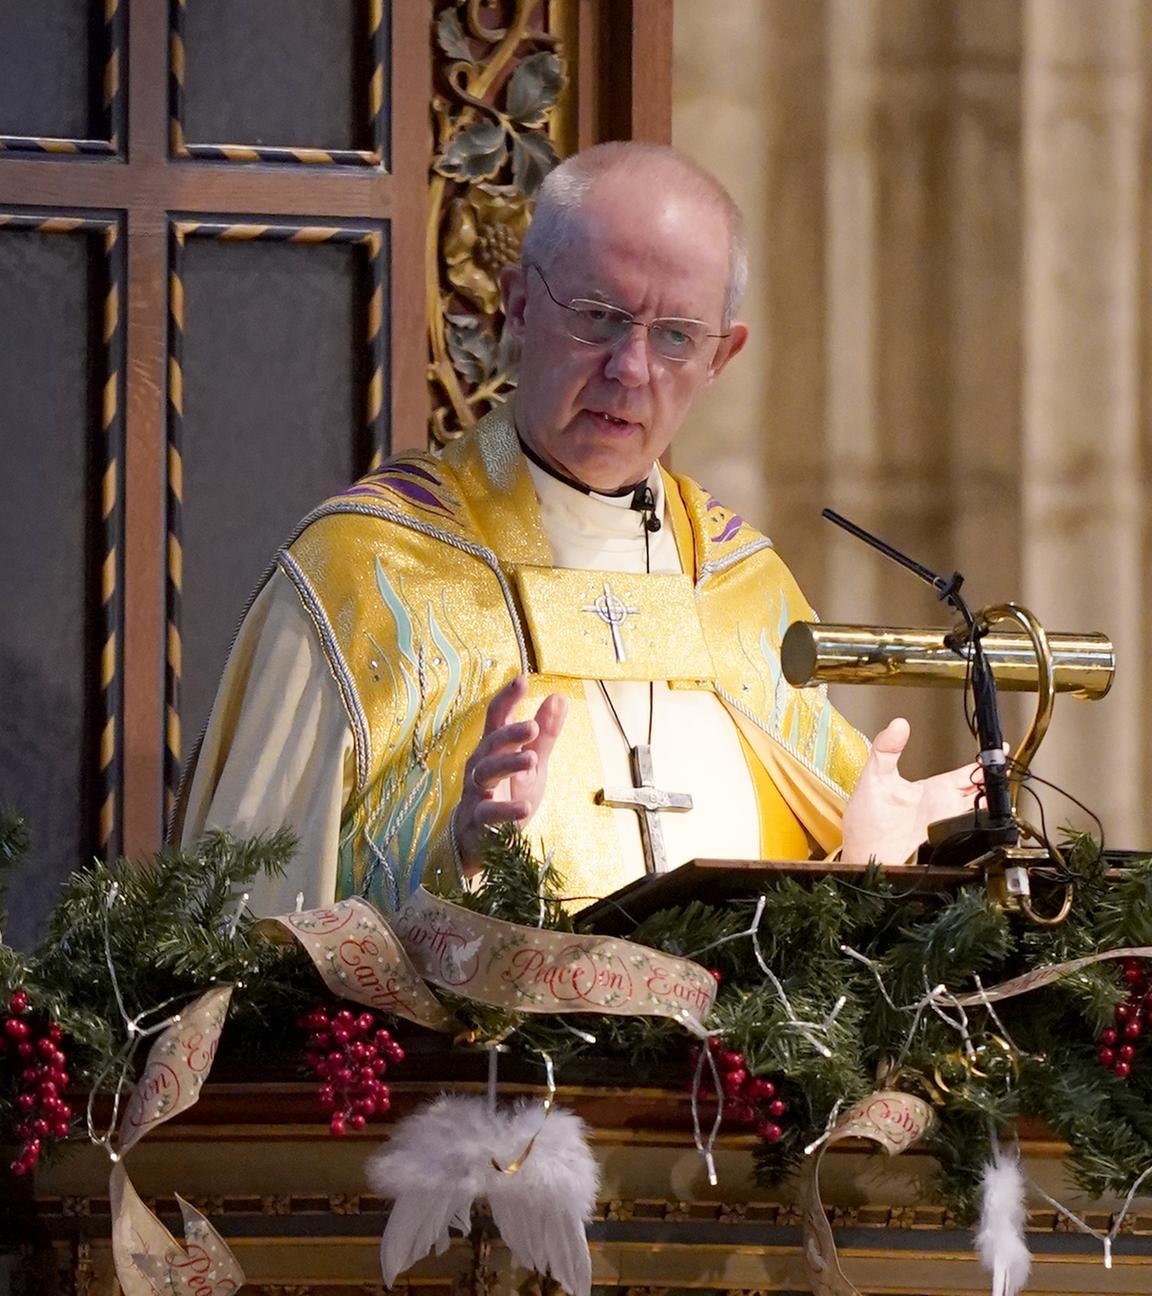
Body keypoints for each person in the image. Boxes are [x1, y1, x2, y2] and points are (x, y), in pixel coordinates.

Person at [178, 142, 982, 916]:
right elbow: (241, 928)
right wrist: (453, 854)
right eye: (598, 318)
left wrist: (884, 854)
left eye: (674, 336)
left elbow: (816, 925)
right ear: (519, 305)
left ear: (721, 358)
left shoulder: (742, 588)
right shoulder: (365, 571)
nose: (630, 370)